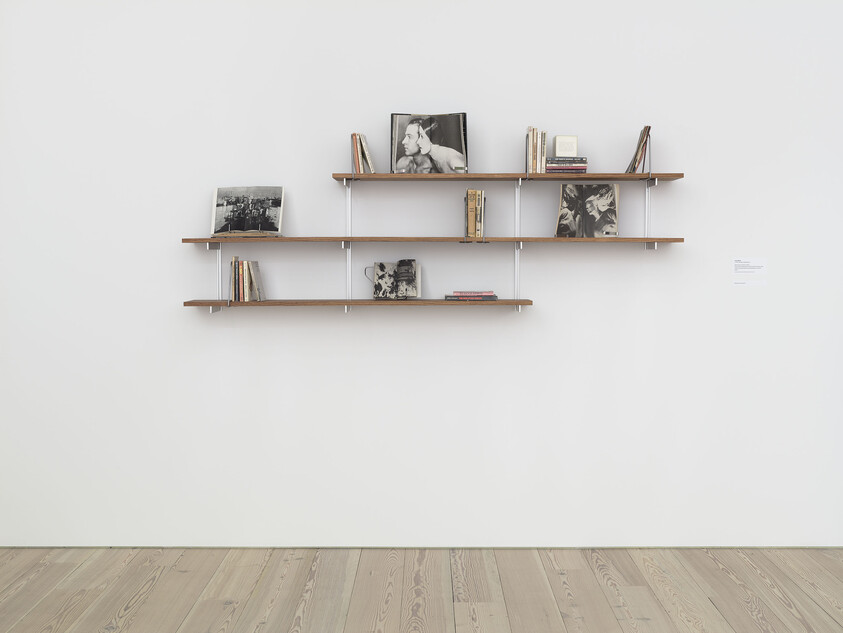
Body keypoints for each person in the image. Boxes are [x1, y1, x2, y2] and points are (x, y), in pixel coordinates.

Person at [395, 116, 466, 174]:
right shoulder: (404, 163)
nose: (403, 141)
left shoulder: (450, 160)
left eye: (410, 137)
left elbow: (464, 169)